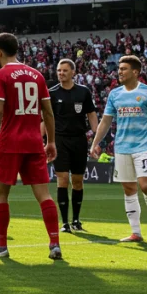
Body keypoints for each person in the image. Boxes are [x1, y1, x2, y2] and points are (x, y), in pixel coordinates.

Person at [0, 33, 63, 260]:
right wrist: (51, 141)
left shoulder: (0, 75)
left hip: (10, 142)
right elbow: (48, 112)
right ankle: (54, 244)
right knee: (44, 195)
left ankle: (1, 247)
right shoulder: (36, 75)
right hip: (34, 141)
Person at [91, 55, 147, 243]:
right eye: (119, 69)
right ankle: (136, 232)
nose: (120, 72)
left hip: (143, 146)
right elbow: (106, 121)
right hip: (122, 147)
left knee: (146, 186)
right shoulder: (115, 94)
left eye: (124, 69)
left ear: (135, 72)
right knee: (128, 189)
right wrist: (95, 142)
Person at [48, 59, 98, 233]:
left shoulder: (83, 92)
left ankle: (76, 220)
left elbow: (91, 114)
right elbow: (46, 119)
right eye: (59, 70)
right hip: (60, 141)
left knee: (77, 181)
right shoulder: (51, 93)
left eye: (64, 70)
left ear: (73, 72)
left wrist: (96, 139)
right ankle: (65, 223)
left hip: (79, 140)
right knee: (62, 180)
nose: (61, 73)